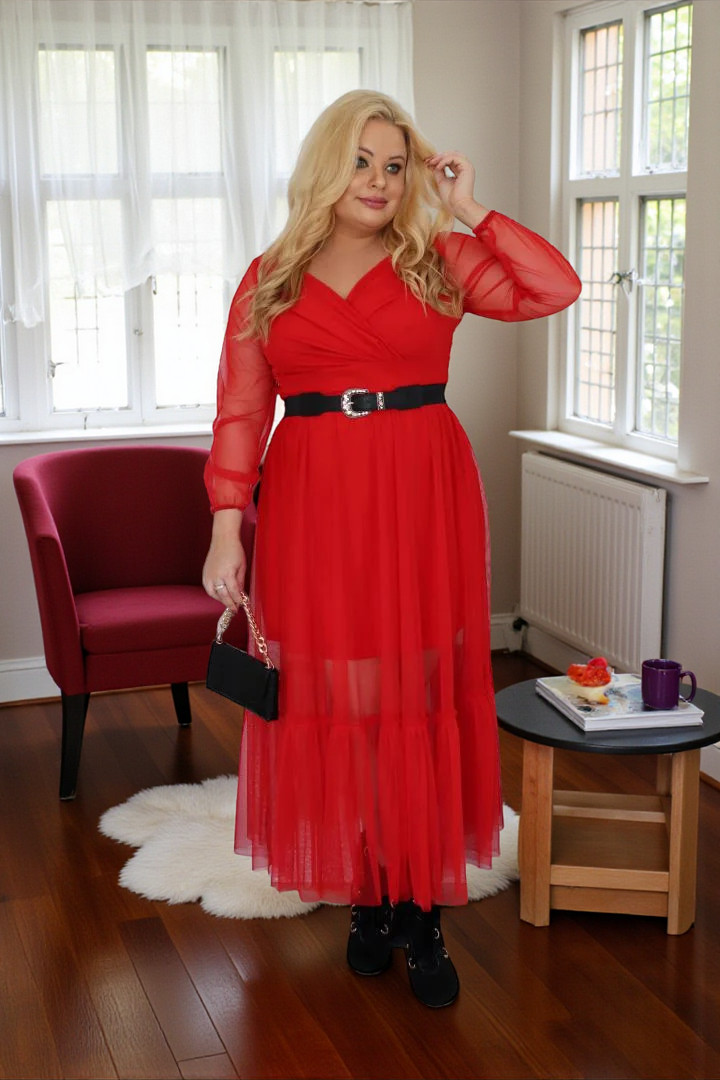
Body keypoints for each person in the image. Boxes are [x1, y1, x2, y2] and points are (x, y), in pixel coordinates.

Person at [202, 90, 581, 1008]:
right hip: (315, 507)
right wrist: (225, 528)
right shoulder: (270, 278)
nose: (378, 181)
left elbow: (553, 288)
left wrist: (469, 208)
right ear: (326, 168)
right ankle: (368, 898)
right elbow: (241, 411)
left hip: (421, 499)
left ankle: (422, 911)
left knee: (416, 697)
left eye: (396, 165)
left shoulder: (438, 259)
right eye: (361, 162)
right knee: (343, 701)